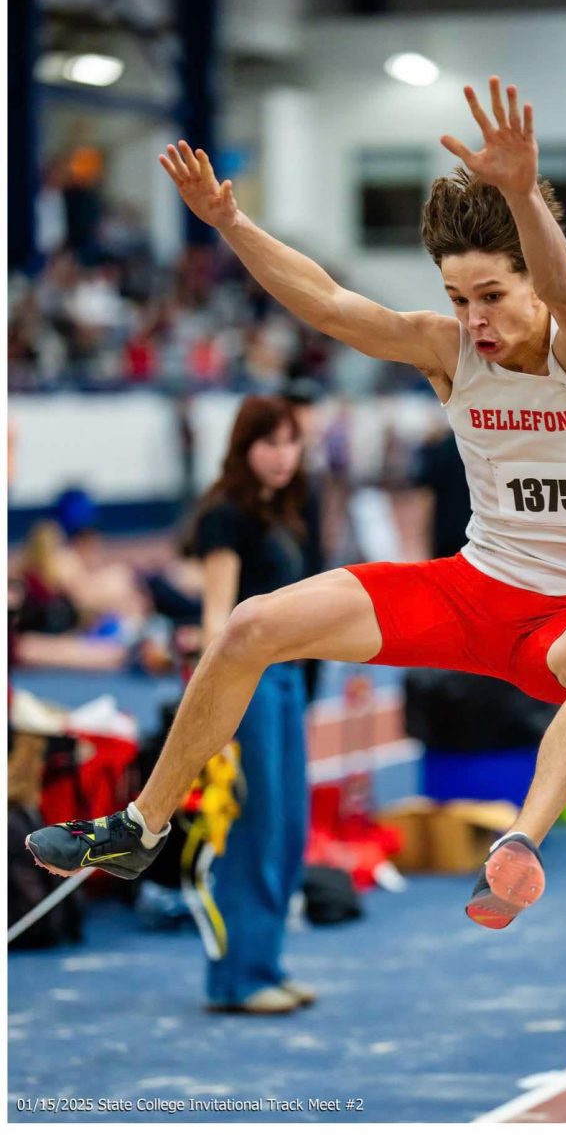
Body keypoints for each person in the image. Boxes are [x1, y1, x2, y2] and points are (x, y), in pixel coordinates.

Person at [27, 76, 566, 932]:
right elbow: (326, 303)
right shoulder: (447, 351)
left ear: (534, 288)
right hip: (468, 592)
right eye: (457, 299)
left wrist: (517, 193)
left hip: (565, 623)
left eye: (492, 298)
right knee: (248, 625)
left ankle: (518, 845)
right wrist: (229, 224)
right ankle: (141, 825)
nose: (471, 319)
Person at [189, 395, 314, 1014]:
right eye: (270, 442)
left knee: (290, 827)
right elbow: (218, 620)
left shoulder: (288, 515)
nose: (283, 455)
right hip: (250, 685)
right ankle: (237, 976)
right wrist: (221, 706)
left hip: (289, 679)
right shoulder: (225, 518)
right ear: (244, 448)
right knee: (252, 826)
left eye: (292, 442)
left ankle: (266, 960)